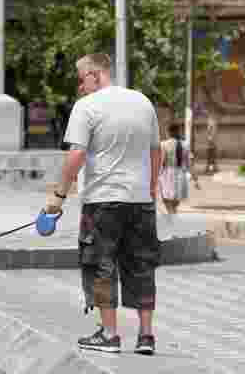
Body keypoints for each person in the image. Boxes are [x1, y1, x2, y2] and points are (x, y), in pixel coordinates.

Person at [43, 53, 161, 355]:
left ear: (96, 75)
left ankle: (109, 334)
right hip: (140, 201)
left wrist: (58, 196)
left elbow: (76, 156)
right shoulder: (143, 102)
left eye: (82, 79)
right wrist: (148, 189)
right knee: (141, 265)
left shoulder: (87, 107)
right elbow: (155, 152)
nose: (80, 87)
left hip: (103, 202)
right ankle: (146, 335)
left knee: (100, 264)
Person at [158, 123, 191, 215]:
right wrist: (195, 179)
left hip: (168, 174)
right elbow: (188, 163)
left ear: (168, 132)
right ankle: (173, 218)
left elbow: (162, 162)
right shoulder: (185, 145)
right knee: (175, 202)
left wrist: (156, 175)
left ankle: (172, 220)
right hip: (181, 174)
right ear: (178, 132)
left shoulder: (163, 144)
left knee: (167, 200)